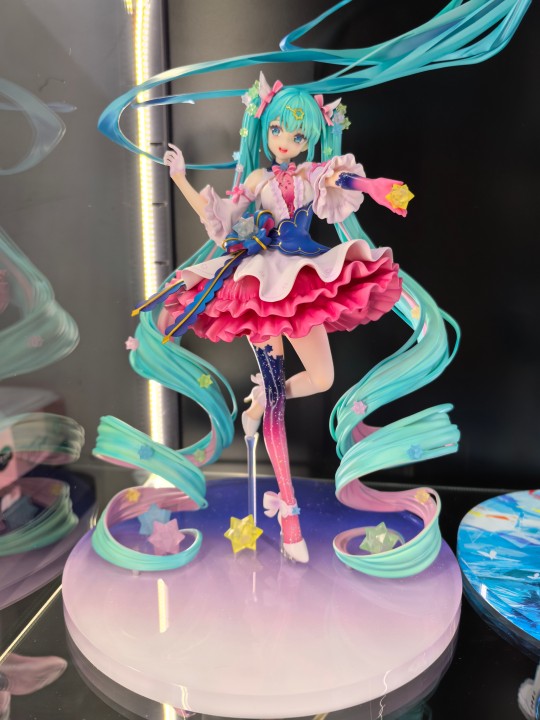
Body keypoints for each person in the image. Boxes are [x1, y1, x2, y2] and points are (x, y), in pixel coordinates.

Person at [139, 77, 411, 562]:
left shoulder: (313, 175)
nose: (285, 141)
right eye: (278, 130)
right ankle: (289, 518)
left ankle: (265, 395)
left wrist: (376, 187)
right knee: (279, 407)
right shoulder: (257, 180)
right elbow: (220, 215)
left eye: (298, 135)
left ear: (311, 140)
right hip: (259, 288)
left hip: (303, 280)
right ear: (265, 128)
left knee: (321, 378)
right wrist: (179, 178)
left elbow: (346, 182)